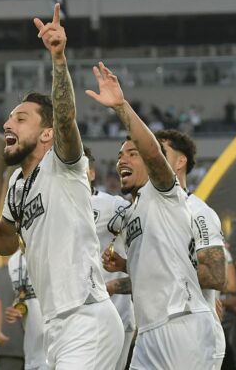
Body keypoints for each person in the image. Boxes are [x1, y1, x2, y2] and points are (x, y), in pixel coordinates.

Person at [0, 4, 123, 368]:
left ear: (47, 133)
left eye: (20, 118)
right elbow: (7, 239)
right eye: (9, 117)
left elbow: (66, 117)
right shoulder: (17, 183)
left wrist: (58, 58)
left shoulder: (64, 165)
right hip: (55, 323)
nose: (9, 123)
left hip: (86, 316)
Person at [89, 62, 221, 368]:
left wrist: (121, 107)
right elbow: (158, 271)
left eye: (133, 153)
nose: (123, 158)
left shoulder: (165, 193)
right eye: (120, 154)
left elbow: (216, 276)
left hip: (181, 325)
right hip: (148, 330)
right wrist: (125, 267)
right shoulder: (135, 210)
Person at [155, 129, 227, 364]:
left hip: (196, 340)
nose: (151, 157)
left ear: (180, 161)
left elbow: (216, 277)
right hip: (157, 337)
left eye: (160, 152)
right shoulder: (144, 212)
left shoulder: (197, 211)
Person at [84, 147, 136, 369]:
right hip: (73, 315)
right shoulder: (51, 209)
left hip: (115, 313)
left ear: (92, 173)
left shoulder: (115, 206)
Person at [4, 249, 45, 370]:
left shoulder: (48, 248)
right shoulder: (13, 260)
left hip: (58, 346)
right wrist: (16, 309)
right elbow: (23, 296)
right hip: (32, 352)